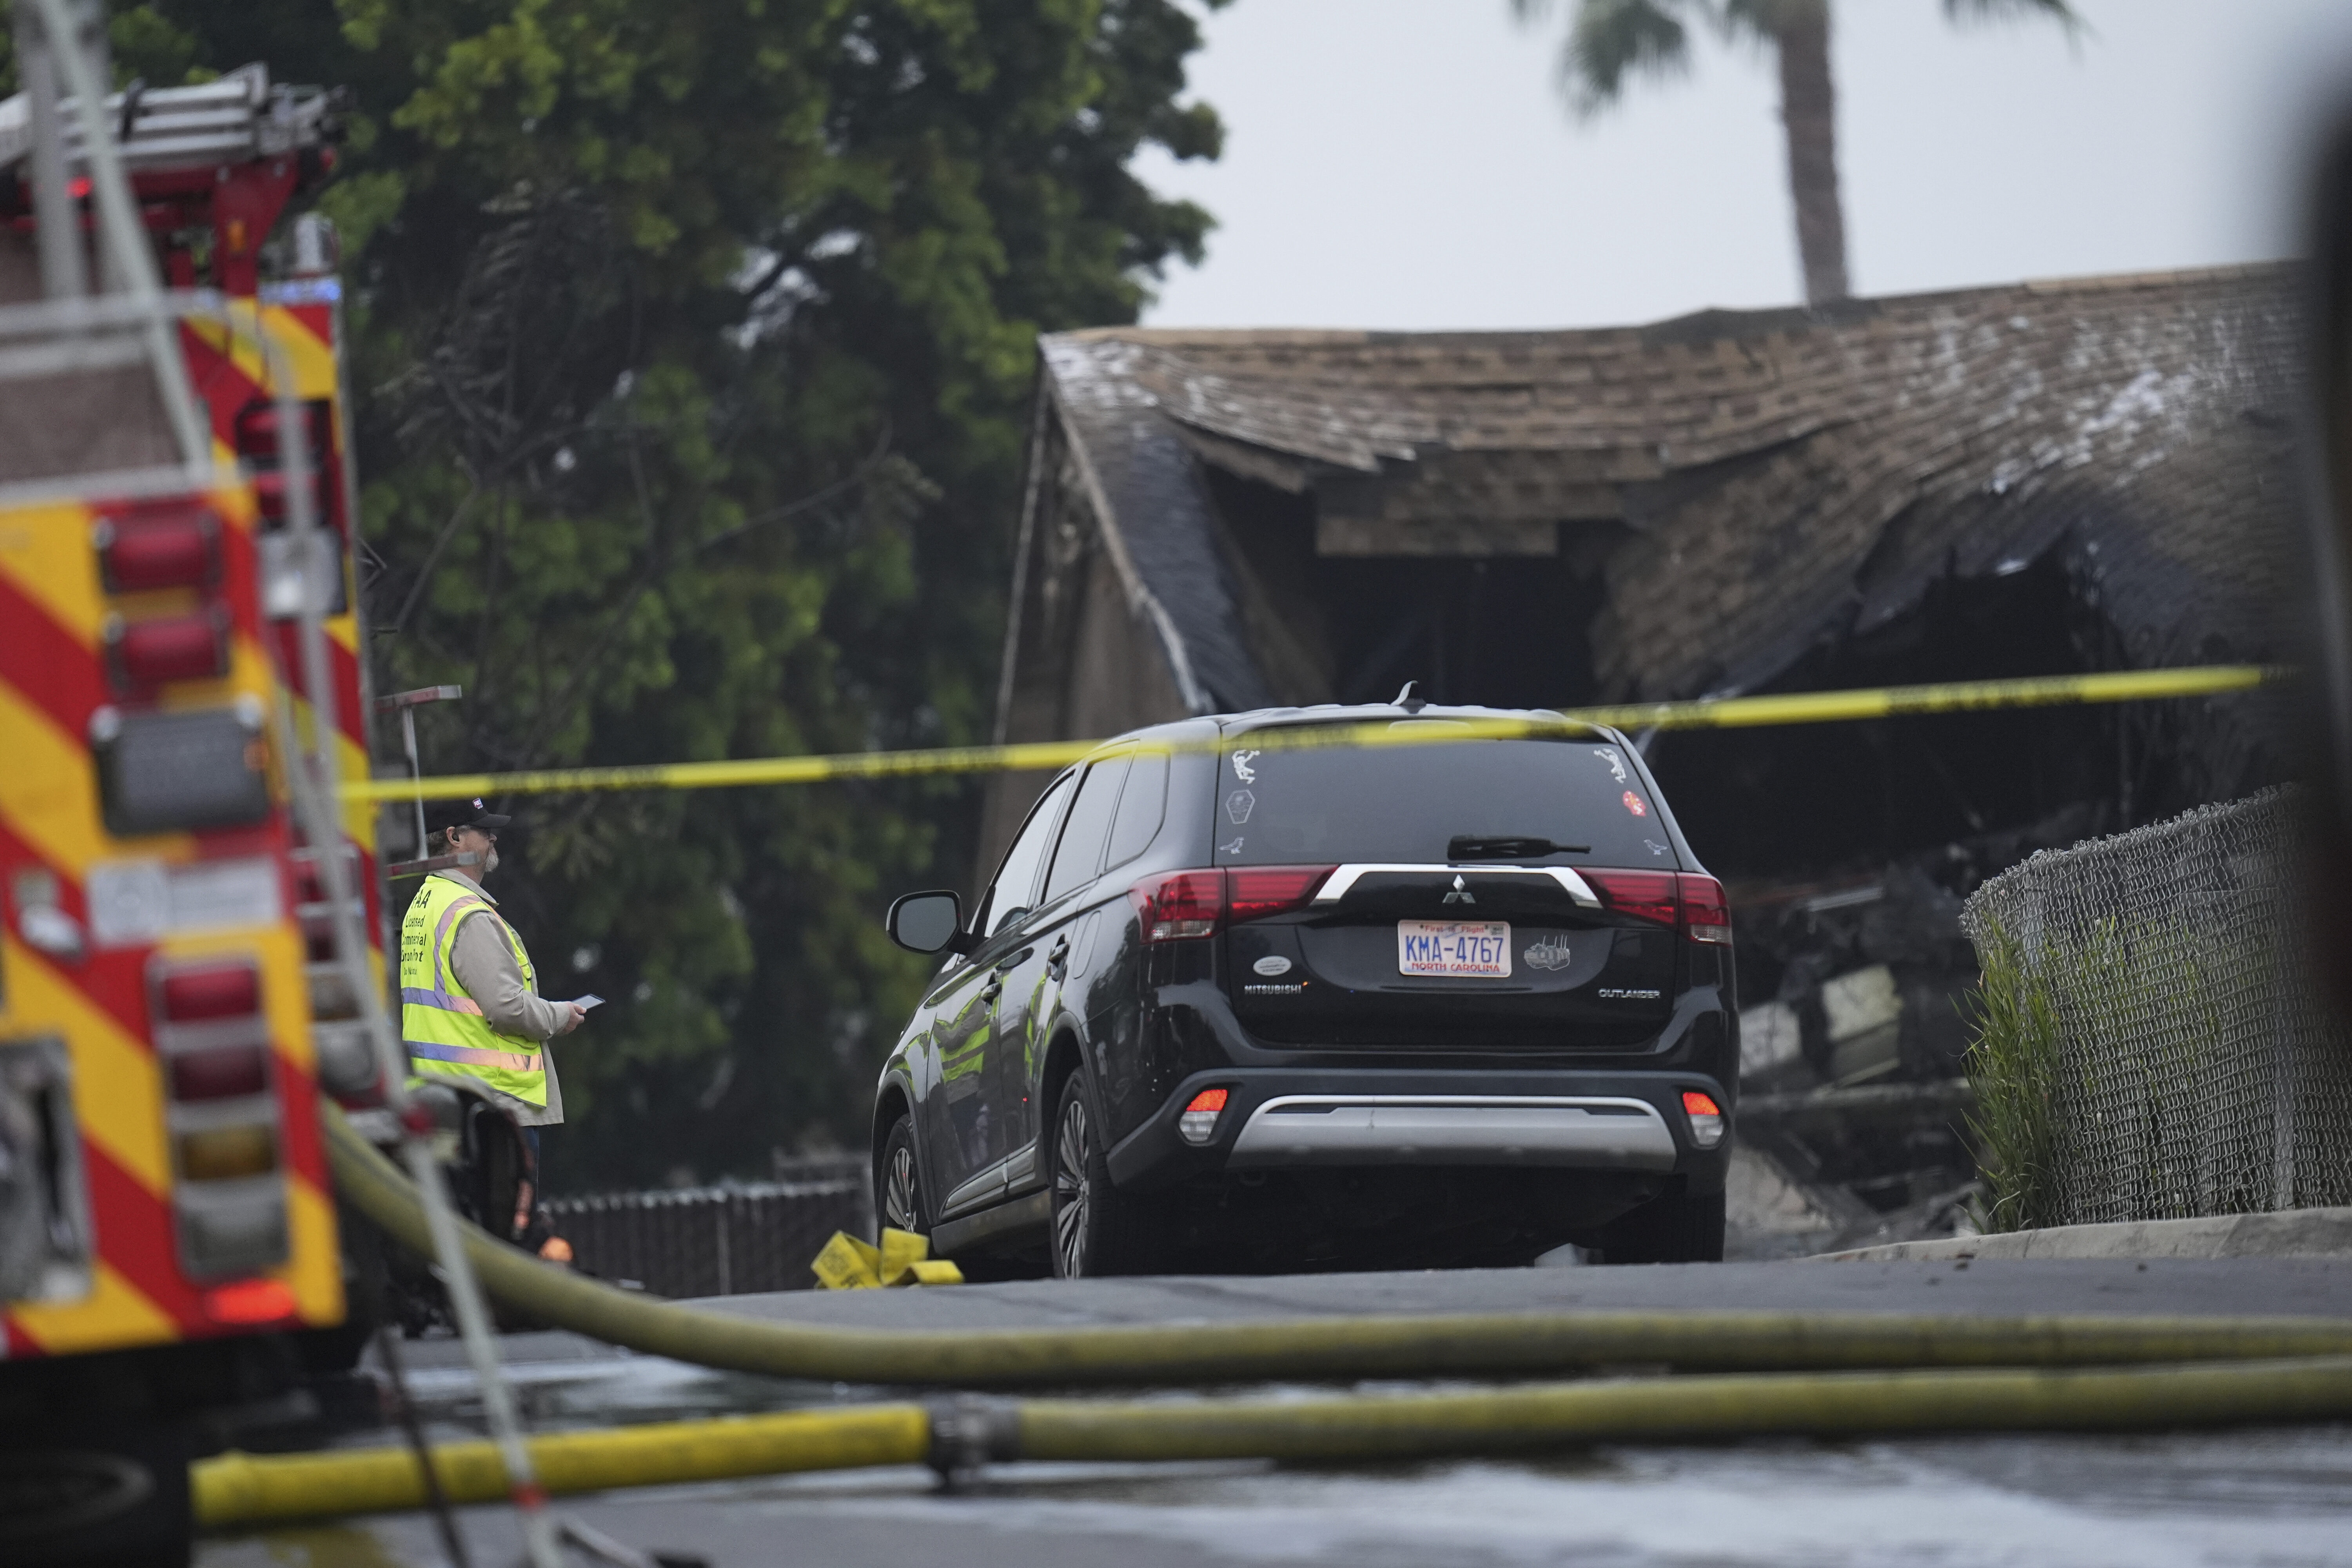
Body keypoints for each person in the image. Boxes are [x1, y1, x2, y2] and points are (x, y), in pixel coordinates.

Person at [399, 797, 585, 1249]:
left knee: (464, 1234)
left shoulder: (425, 905)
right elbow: (505, 1007)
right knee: (506, 1240)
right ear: (455, 837)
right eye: (483, 830)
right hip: (497, 1110)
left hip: (447, 1103)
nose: (493, 837)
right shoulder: (468, 914)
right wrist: (560, 1016)